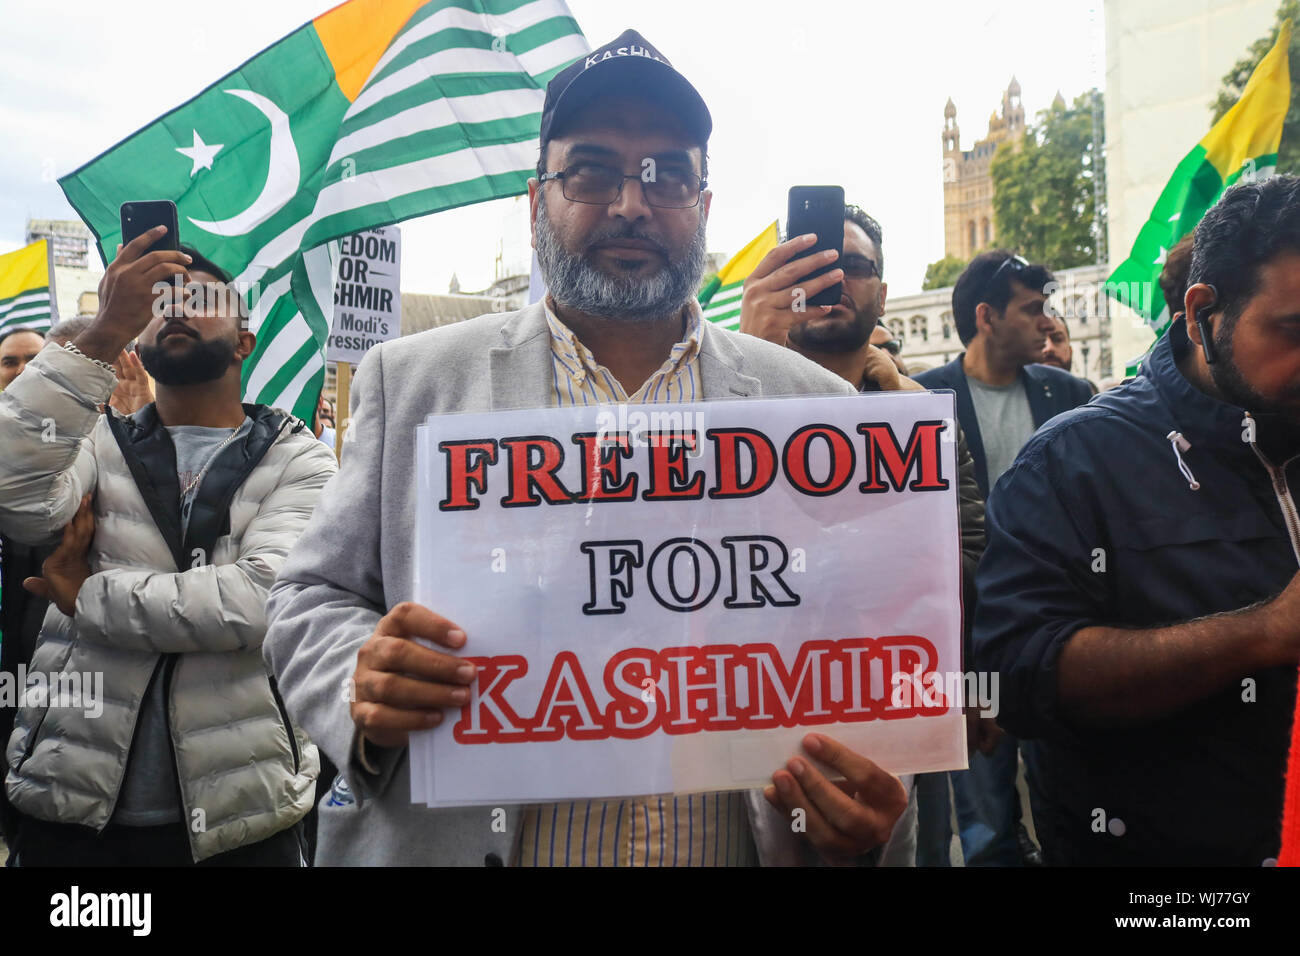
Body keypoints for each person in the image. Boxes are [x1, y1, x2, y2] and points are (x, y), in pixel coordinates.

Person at [265, 29, 912, 867]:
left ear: (704, 209)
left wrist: (870, 825)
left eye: (667, 173)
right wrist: (360, 676)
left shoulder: (818, 409)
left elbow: (873, 651)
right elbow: (305, 595)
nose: (632, 204)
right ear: (537, 203)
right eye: (593, 171)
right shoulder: (413, 382)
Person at [973, 175, 1300, 865]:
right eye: (1294, 331)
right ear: (1202, 312)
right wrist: (1260, 634)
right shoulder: (1071, 461)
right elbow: (1012, 680)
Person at [0, 236, 336, 865]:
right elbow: (15, 503)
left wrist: (87, 596)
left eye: (200, 295)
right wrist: (98, 334)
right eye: (159, 299)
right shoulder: (91, 443)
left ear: (244, 341)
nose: (176, 305)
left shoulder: (303, 459)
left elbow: (258, 601)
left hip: (243, 818)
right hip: (67, 807)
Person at [737, 206, 993, 866]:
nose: (834, 280)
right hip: (747, 717)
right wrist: (748, 366)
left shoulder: (917, 421)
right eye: (812, 264)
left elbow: (967, 558)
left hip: (899, 720)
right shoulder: (725, 399)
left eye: (855, 267)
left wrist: (975, 680)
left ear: (881, 291)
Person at [912, 251, 1093, 866]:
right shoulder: (921, 401)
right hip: (969, 648)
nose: (1048, 323)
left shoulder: (1072, 396)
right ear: (987, 316)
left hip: (1059, 643)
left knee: (1072, 811)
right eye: (1033, 308)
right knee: (985, 825)